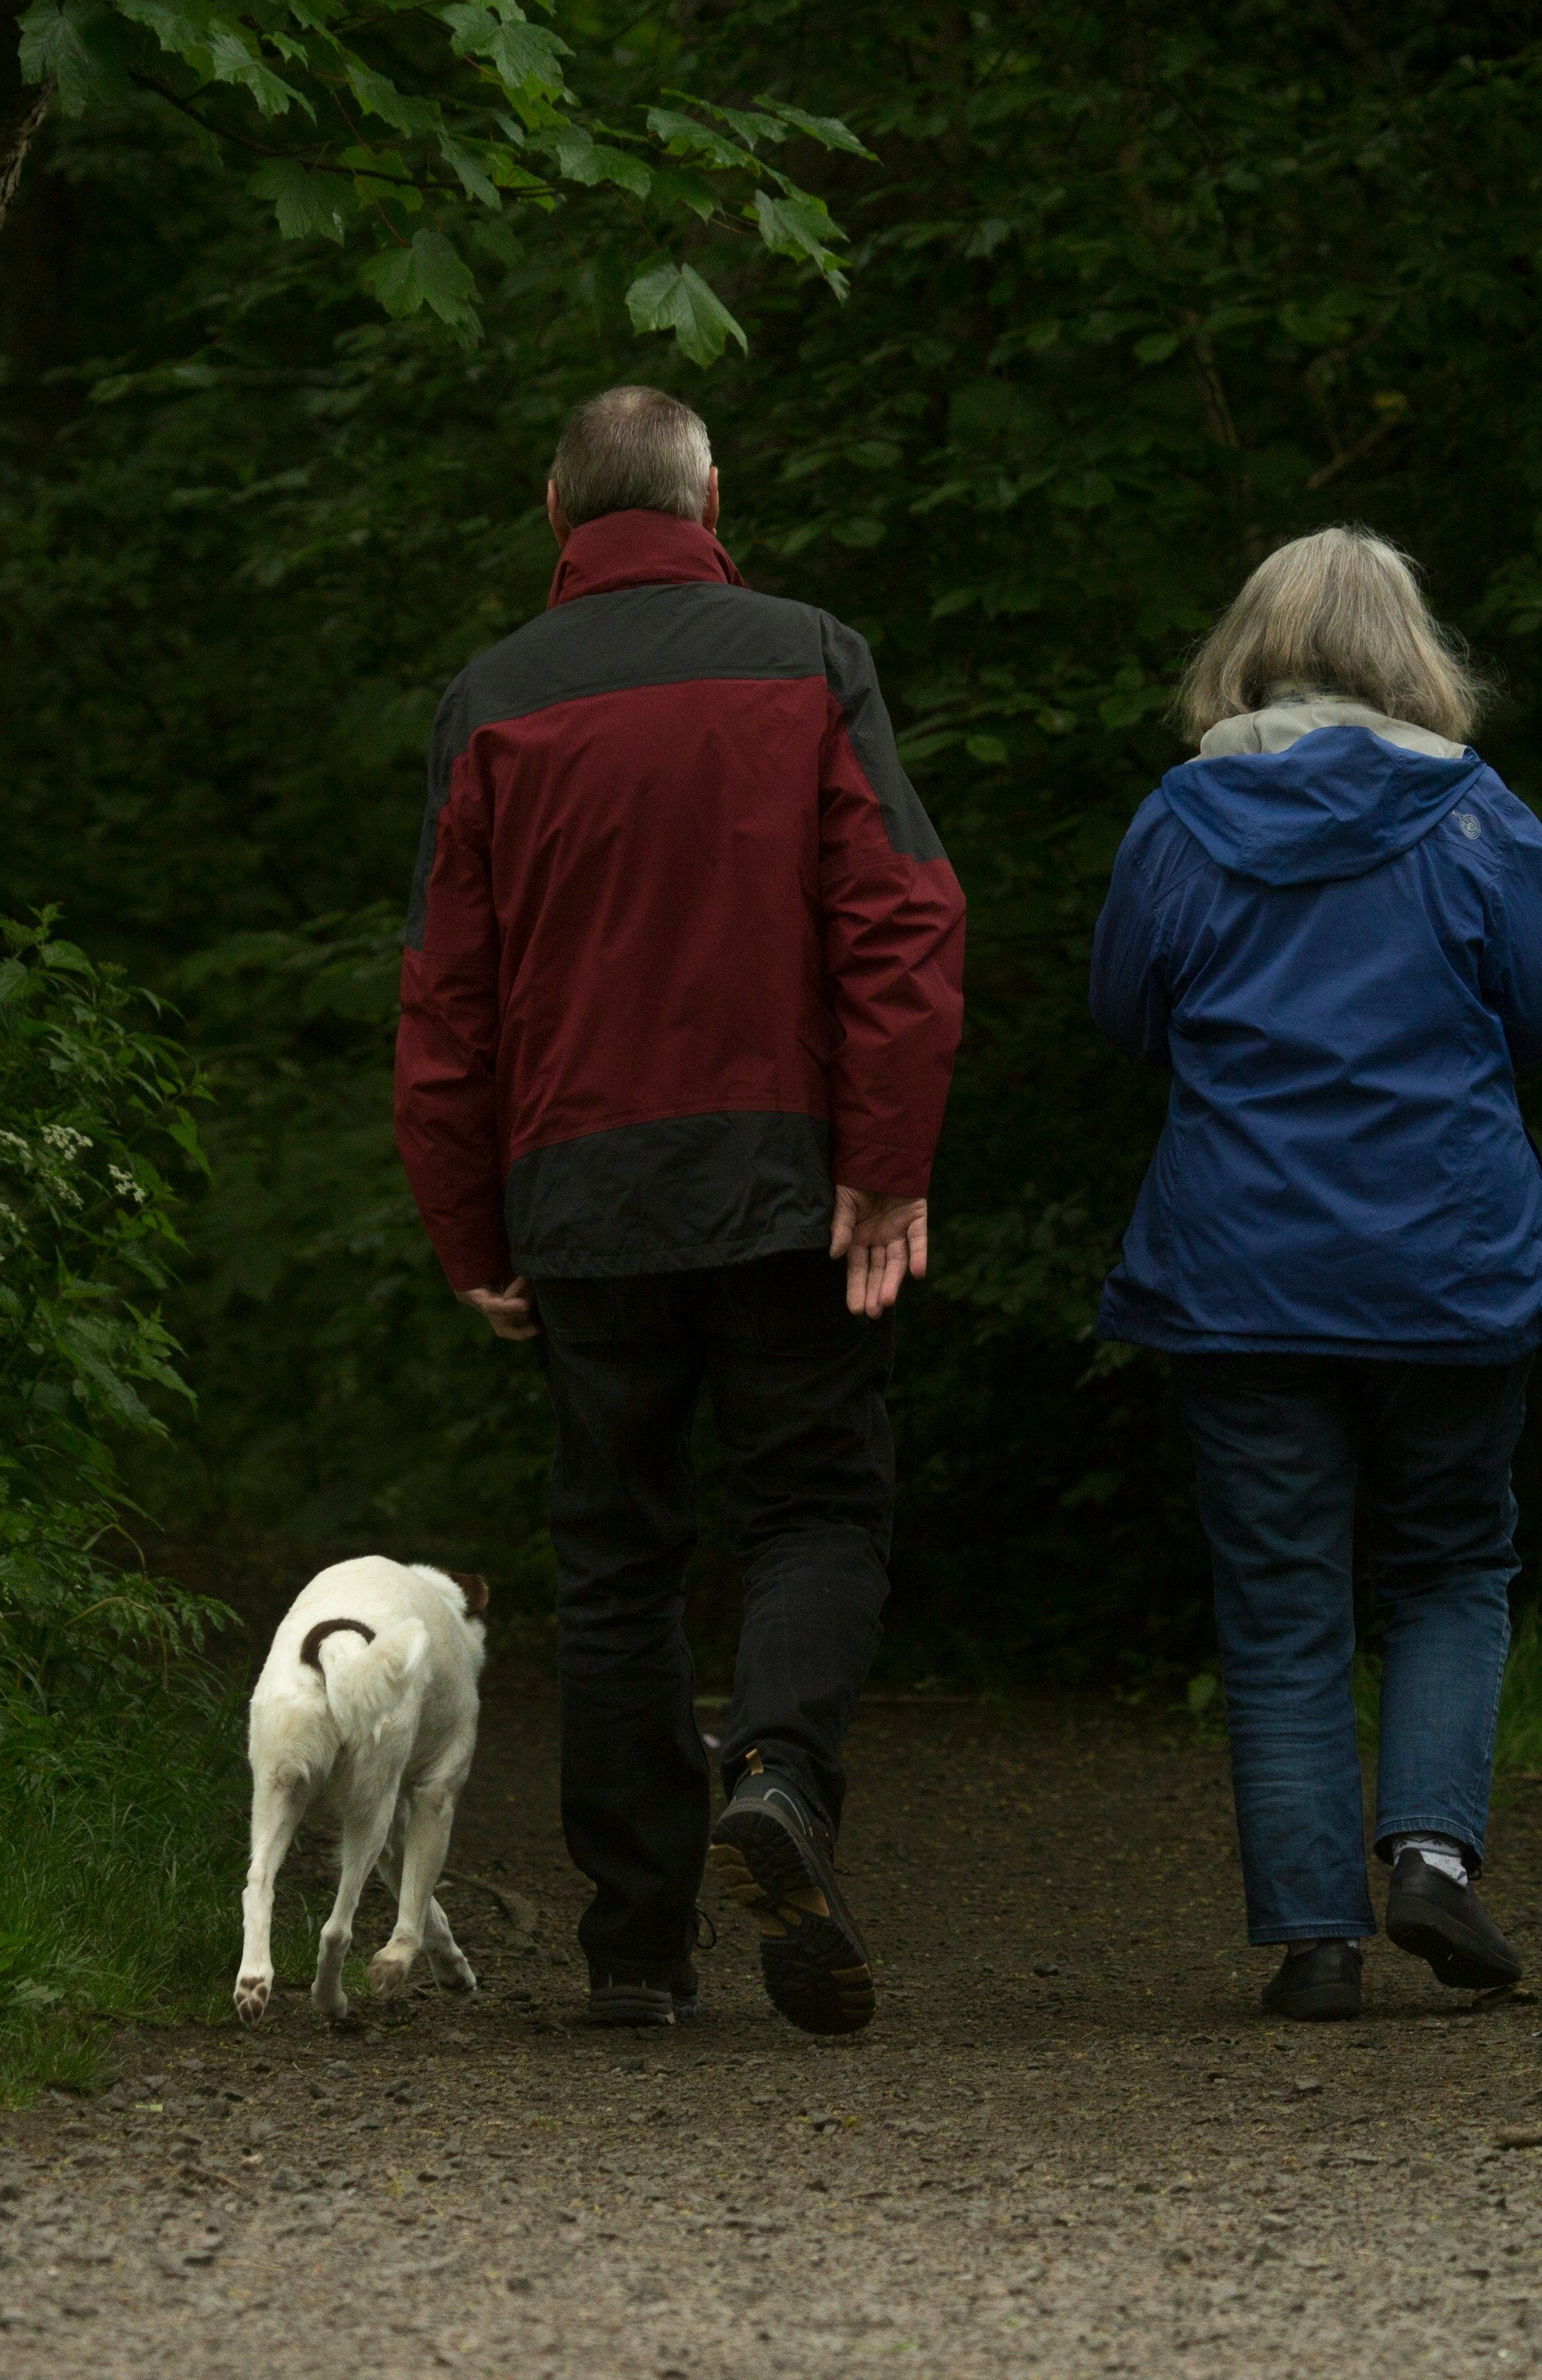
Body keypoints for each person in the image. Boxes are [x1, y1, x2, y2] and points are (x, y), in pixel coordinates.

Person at [393, 386, 964, 2035]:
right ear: (715, 490)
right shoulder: (807, 656)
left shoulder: (491, 698)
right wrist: (888, 1157)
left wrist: (467, 1230)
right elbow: (903, 922)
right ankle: (777, 1776)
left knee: (617, 1558)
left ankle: (638, 1947)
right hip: (788, 1176)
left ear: (552, 507)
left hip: (582, 1192)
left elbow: (448, 998)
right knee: (815, 1510)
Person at [1090, 527, 1542, 2021]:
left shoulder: (1181, 822)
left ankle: (1315, 1941)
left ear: (1249, 653)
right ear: (1410, 654)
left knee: (1279, 1601)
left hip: (1241, 1266)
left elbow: (1125, 1010)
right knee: (1452, 1562)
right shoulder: (1473, 815)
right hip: (1447, 1258)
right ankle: (1435, 1860)